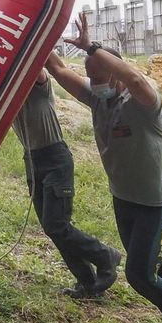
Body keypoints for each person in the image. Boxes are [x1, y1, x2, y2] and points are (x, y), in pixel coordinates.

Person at [48, 12, 162, 323]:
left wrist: (91, 47)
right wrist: (37, 31)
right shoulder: (98, 101)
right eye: (90, 76)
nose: (93, 82)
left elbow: (135, 78)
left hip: (158, 204)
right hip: (125, 202)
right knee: (155, 272)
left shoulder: (144, 105)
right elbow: (58, 70)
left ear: (115, 73)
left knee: (139, 275)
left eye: (99, 76)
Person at [9, 64, 121, 299]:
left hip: (54, 158)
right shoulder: (7, 97)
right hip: (31, 160)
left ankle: (105, 255)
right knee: (53, 228)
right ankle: (88, 283)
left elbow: (36, 65)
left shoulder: (38, 86)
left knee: (57, 225)